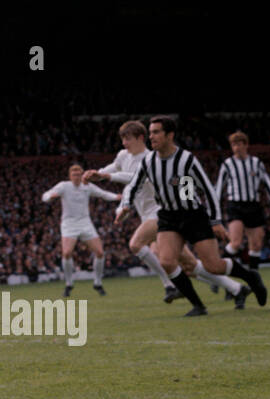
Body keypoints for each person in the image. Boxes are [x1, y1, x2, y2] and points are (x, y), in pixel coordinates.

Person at [114, 115, 267, 317]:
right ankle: (198, 305)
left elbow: (208, 190)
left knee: (214, 265)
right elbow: (135, 184)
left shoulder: (185, 159)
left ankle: (251, 277)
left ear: (170, 135)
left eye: (156, 132)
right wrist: (125, 205)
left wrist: (215, 221)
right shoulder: (149, 160)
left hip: (193, 215)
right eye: (150, 132)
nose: (152, 136)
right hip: (168, 216)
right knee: (167, 262)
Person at [88, 120, 247, 309]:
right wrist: (94, 175)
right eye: (122, 139)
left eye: (128, 138)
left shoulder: (150, 158)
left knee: (136, 244)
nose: (124, 143)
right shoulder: (123, 155)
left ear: (140, 138)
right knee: (189, 265)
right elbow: (113, 168)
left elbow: (133, 178)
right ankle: (236, 288)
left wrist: (107, 178)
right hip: (147, 216)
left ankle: (169, 285)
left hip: (160, 213)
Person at [42, 163, 121, 295]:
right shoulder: (64, 186)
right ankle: (69, 284)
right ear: (70, 176)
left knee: (100, 253)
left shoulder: (87, 187)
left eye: (79, 174)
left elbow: (103, 194)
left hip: (85, 223)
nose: (76, 177)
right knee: (66, 253)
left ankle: (97, 283)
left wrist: (117, 197)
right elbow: (45, 195)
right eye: (74, 174)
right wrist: (50, 197)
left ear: (82, 175)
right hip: (69, 224)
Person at [216, 131, 270, 269]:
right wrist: (214, 210)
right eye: (233, 145)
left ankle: (254, 277)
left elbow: (268, 184)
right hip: (236, 205)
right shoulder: (228, 164)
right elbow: (218, 189)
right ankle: (219, 270)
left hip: (253, 205)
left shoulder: (256, 163)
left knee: (256, 245)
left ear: (246, 145)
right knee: (236, 242)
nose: (236, 148)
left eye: (239, 144)